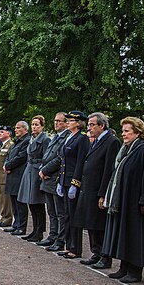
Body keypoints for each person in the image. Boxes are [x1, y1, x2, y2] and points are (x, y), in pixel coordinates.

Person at [101, 117, 144, 281]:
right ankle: (124, 267)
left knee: (135, 235)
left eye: (127, 131)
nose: (124, 134)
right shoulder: (127, 150)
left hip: (136, 201)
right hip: (124, 199)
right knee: (124, 234)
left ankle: (135, 271)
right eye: (123, 131)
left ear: (138, 132)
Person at [73, 113, 119, 267]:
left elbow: (108, 170)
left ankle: (105, 256)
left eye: (93, 124)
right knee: (91, 223)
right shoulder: (96, 141)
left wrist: (103, 194)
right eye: (89, 124)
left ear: (102, 125)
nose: (89, 127)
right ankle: (96, 252)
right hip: (88, 188)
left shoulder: (111, 142)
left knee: (100, 225)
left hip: (98, 190)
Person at [57, 111, 90, 260]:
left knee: (73, 215)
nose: (68, 122)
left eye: (71, 120)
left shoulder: (82, 139)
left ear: (78, 123)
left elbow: (80, 162)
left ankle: (75, 248)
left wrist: (75, 183)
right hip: (64, 180)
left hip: (72, 181)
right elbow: (64, 161)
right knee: (67, 214)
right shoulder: (69, 138)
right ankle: (69, 245)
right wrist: (60, 181)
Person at [38, 113, 69, 249]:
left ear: (66, 123)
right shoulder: (55, 137)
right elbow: (46, 156)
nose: (56, 123)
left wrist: (45, 170)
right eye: (55, 120)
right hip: (47, 178)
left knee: (59, 212)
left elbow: (59, 158)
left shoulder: (66, 137)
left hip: (55, 177)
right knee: (51, 211)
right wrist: (42, 169)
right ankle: (52, 235)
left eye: (59, 121)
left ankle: (60, 239)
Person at [17, 116, 50, 242]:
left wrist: (42, 170)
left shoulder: (45, 139)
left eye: (37, 124)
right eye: (33, 124)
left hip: (37, 172)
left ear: (42, 126)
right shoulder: (32, 139)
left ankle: (39, 231)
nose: (34, 127)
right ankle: (35, 230)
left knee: (38, 204)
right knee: (31, 202)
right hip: (29, 170)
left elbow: (46, 157)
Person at [3, 121, 30, 235]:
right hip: (12, 174)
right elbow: (9, 155)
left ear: (25, 129)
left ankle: (21, 226)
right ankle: (16, 223)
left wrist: (8, 165)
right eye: (15, 127)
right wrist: (6, 164)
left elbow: (21, 157)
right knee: (14, 201)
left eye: (18, 128)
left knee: (20, 202)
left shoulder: (26, 141)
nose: (16, 130)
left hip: (19, 174)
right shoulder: (16, 142)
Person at [0, 126, 14, 228]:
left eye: (2, 132)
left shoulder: (10, 145)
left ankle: (7, 218)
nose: (0, 133)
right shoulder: (2, 145)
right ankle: (3, 217)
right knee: (1, 199)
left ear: (8, 134)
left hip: (5, 177)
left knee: (6, 200)